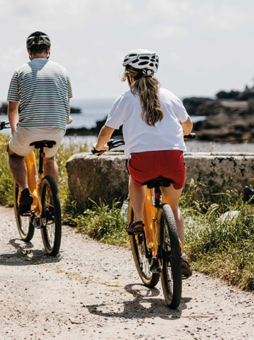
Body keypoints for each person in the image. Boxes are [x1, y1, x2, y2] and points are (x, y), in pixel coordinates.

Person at [93, 49, 193, 278]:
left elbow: (106, 131)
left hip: (143, 162)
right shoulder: (169, 95)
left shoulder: (126, 98)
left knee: (136, 179)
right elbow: (188, 126)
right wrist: (184, 135)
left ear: (129, 75)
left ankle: (138, 219)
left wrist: (100, 147)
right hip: (173, 160)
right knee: (174, 207)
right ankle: (178, 255)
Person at [6, 31, 73, 213]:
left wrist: (14, 131)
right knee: (50, 158)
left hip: (28, 130)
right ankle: (53, 203)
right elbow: (66, 107)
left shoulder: (19, 72)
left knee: (13, 153)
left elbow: (13, 110)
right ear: (48, 50)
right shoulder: (62, 71)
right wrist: (65, 119)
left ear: (29, 51)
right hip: (57, 129)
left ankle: (25, 191)